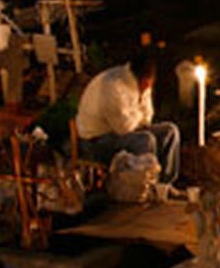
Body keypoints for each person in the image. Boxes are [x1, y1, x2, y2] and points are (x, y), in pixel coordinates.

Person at [75, 49, 181, 184]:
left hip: (124, 130)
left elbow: (147, 117)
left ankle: (165, 185)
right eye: (145, 84)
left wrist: (135, 113)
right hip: (96, 140)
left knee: (170, 131)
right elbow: (123, 127)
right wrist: (138, 113)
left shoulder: (144, 85)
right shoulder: (112, 86)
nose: (148, 87)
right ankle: (146, 184)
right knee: (145, 140)